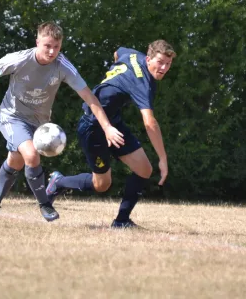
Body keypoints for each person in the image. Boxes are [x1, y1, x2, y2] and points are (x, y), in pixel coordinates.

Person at [0, 22, 124, 222]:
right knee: (31, 155)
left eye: (56, 47)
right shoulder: (20, 59)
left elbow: (89, 97)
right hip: (11, 117)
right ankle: (45, 204)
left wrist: (107, 127)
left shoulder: (63, 66)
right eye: (47, 46)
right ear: (37, 41)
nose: (51, 51)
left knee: (15, 161)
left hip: (40, 124)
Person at [46, 40, 176, 228]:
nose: (163, 68)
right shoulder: (144, 83)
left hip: (113, 123)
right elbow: (149, 122)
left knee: (144, 169)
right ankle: (59, 182)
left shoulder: (132, 54)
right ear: (148, 59)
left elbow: (117, 52)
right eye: (160, 62)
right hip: (93, 125)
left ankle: (121, 221)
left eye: (168, 64)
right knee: (102, 185)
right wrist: (163, 158)